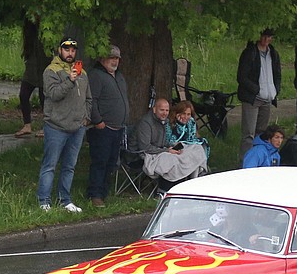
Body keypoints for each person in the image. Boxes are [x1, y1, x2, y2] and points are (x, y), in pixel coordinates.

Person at [37, 37, 91, 213]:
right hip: (56, 126)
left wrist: (86, 117)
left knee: (69, 166)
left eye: (73, 50)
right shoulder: (51, 71)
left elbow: (88, 97)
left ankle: (64, 199)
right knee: (50, 165)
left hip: (77, 127)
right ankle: (44, 201)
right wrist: (69, 80)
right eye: (66, 49)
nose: (70, 53)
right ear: (60, 50)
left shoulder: (82, 72)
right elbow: (53, 94)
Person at [85, 45, 129, 208]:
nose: (115, 61)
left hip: (117, 129)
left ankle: (104, 192)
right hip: (103, 129)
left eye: (117, 58)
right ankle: (95, 194)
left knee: (111, 162)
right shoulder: (96, 75)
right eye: (112, 58)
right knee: (100, 161)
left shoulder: (119, 76)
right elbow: (91, 100)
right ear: (102, 59)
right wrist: (98, 121)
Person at [132, 98, 207, 190]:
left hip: (161, 149)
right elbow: (145, 148)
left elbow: (164, 142)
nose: (164, 113)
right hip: (144, 154)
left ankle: (191, 183)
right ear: (154, 109)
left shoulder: (163, 121)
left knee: (195, 149)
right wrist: (167, 150)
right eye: (162, 110)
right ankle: (166, 189)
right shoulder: (146, 123)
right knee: (173, 160)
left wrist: (172, 147)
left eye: (167, 110)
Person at [236, 28, 282, 157]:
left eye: (269, 37)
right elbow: (241, 77)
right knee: (248, 133)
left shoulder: (273, 53)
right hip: (253, 98)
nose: (267, 40)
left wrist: (275, 90)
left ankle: (259, 159)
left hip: (267, 98)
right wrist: (256, 90)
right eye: (264, 36)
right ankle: (246, 162)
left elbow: (277, 74)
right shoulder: (250, 53)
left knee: (261, 133)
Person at [15, 18, 47, 138]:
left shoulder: (47, 30)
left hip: (45, 68)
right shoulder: (30, 31)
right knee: (23, 95)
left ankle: (46, 127)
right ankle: (27, 125)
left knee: (44, 98)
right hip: (32, 69)